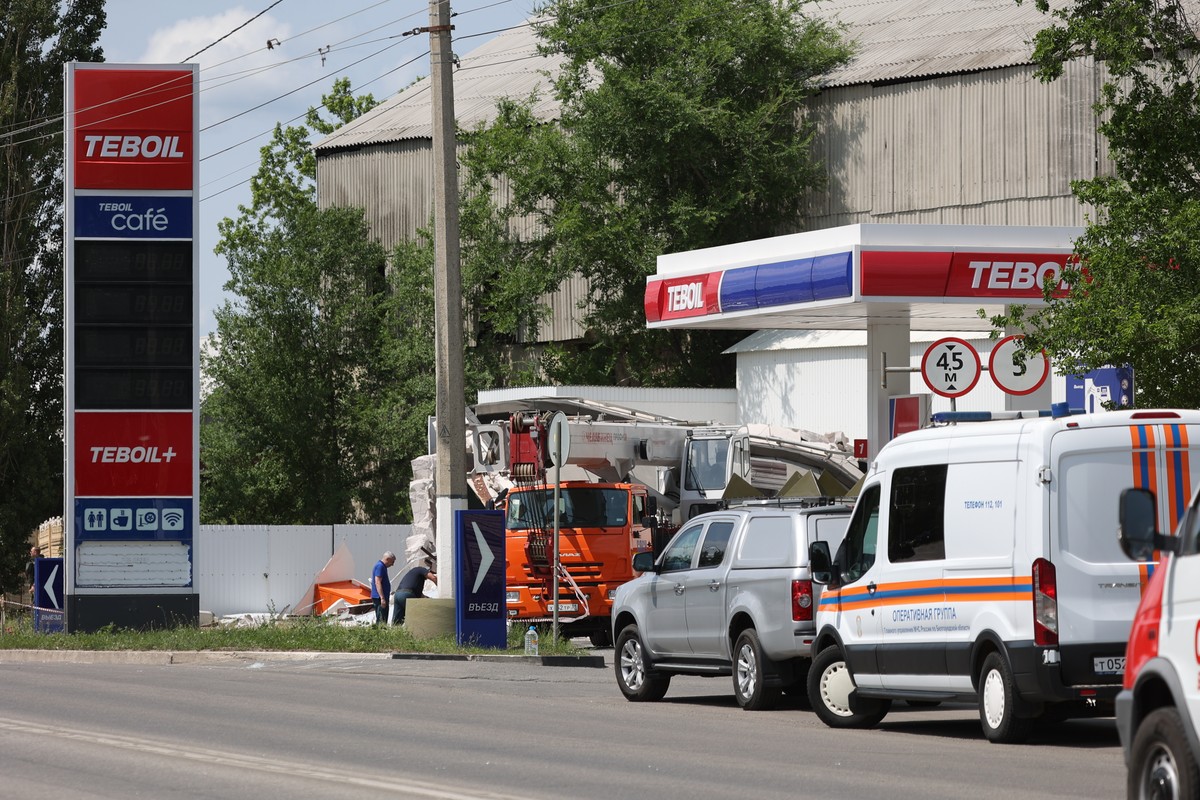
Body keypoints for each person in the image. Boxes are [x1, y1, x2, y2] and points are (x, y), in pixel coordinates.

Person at [392, 557, 437, 626]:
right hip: (407, 595)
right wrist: (439, 587)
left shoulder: (414, 576)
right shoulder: (421, 569)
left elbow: (419, 594)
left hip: (398, 594)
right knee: (415, 616)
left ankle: (393, 634)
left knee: (397, 621)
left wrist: (427, 599)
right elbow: (433, 578)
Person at [370, 551, 396, 624]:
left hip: (381, 597)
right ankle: (379, 634)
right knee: (381, 619)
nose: (392, 564)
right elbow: (378, 582)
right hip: (379, 598)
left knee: (382, 618)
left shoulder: (382, 566)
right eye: (392, 562)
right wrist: (382, 598)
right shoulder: (380, 566)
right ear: (387, 559)